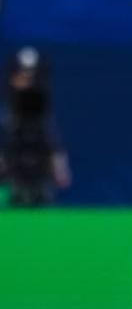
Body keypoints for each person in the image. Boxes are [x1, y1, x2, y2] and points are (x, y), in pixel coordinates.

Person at [2, 48, 70, 208]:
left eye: (31, 72)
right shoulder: (8, 101)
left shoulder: (41, 104)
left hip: (39, 138)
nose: (26, 76)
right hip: (15, 139)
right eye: (23, 71)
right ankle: (16, 191)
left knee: (52, 148)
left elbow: (53, 143)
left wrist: (61, 170)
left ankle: (42, 190)